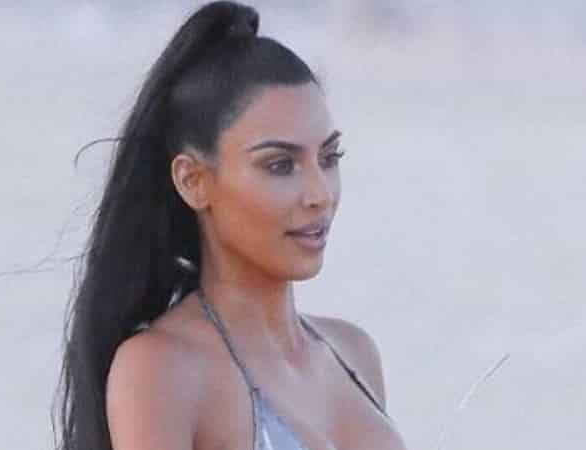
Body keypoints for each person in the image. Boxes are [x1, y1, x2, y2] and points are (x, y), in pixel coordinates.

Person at [56, 2, 408, 450]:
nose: (320, 194)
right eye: (280, 165)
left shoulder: (353, 352)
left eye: (328, 158)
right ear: (193, 181)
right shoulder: (161, 369)